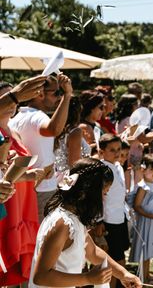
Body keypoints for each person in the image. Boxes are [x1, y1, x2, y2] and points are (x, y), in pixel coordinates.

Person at [29, 157, 141, 288]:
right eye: (104, 194)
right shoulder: (62, 224)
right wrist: (87, 278)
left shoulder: (74, 219)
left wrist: (123, 274)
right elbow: (41, 276)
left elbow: (92, 252)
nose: (104, 200)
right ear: (85, 193)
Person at [9, 73, 73, 221]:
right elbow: (54, 129)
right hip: (43, 190)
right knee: (44, 238)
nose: (58, 97)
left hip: (26, 188)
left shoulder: (16, 118)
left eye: (60, 93)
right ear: (39, 93)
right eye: (56, 92)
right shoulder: (38, 117)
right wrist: (67, 95)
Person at [0, 80, 42, 286]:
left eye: (14, 96)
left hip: (23, 200)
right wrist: (28, 175)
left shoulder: (13, 129)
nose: (14, 101)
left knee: (17, 263)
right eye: (8, 97)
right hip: (8, 200)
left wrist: (32, 174)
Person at [129, 153, 153, 282]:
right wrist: (151, 216)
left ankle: (146, 275)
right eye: (152, 169)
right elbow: (137, 206)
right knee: (145, 251)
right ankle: (142, 277)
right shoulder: (143, 187)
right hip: (146, 222)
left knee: (149, 249)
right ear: (143, 170)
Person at [98, 133, 130, 287]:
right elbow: (99, 197)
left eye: (118, 149)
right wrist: (99, 221)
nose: (117, 153)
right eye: (112, 150)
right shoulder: (102, 169)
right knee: (114, 259)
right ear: (102, 151)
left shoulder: (118, 166)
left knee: (121, 255)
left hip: (120, 217)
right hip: (109, 219)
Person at [54, 95, 91, 175]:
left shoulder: (56, 129)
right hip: (70, 179)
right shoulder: (75, 131)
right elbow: (74, 163)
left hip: (58, 175)